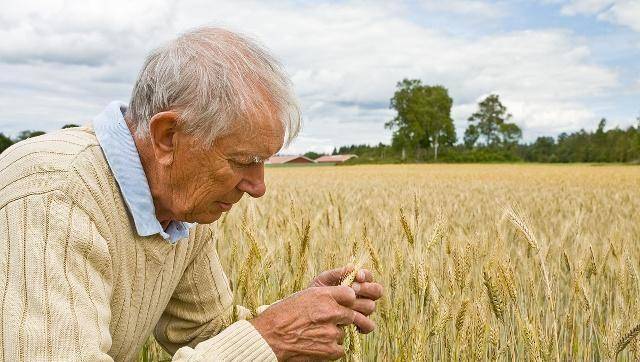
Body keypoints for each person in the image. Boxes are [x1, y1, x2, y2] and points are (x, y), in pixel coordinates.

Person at [0, 27, 382, 361]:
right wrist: (271, 337)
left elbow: (209, 332)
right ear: (168, 136)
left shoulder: (180, 206)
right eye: (243, 160)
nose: (259, 187)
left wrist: (294, 316)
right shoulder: (52, 193)